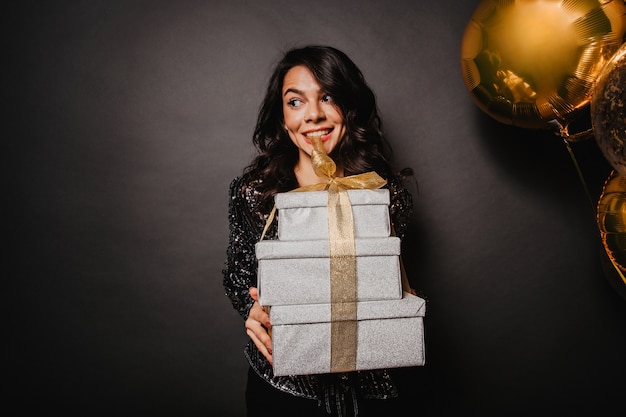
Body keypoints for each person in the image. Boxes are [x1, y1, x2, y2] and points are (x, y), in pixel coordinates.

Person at [223, 45, 415, 417]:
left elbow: (391, 280)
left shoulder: (383, 192)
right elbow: (238, 275)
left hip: (372, 390)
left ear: (349, 107)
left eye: (327, 97)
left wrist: (402, 302)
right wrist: (253, 308)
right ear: (281, 117)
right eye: (295, 102)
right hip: (285, 388)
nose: (313, 114)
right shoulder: (256, 192)